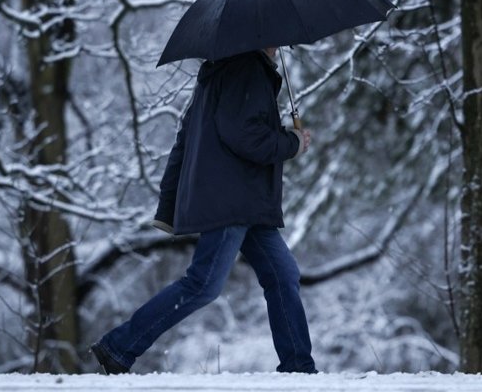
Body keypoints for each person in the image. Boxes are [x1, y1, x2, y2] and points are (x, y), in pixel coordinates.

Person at [90, 47, 316, 374]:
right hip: (232, 200)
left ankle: (299, 367)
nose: (283, 46)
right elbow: (247, 137)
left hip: (248, 203)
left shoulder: (222, 71)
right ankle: (119, 346)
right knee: (203, 284)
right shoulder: (246, 71)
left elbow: (186, 136)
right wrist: (292, 142)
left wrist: (168, 203)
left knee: (283, 275)